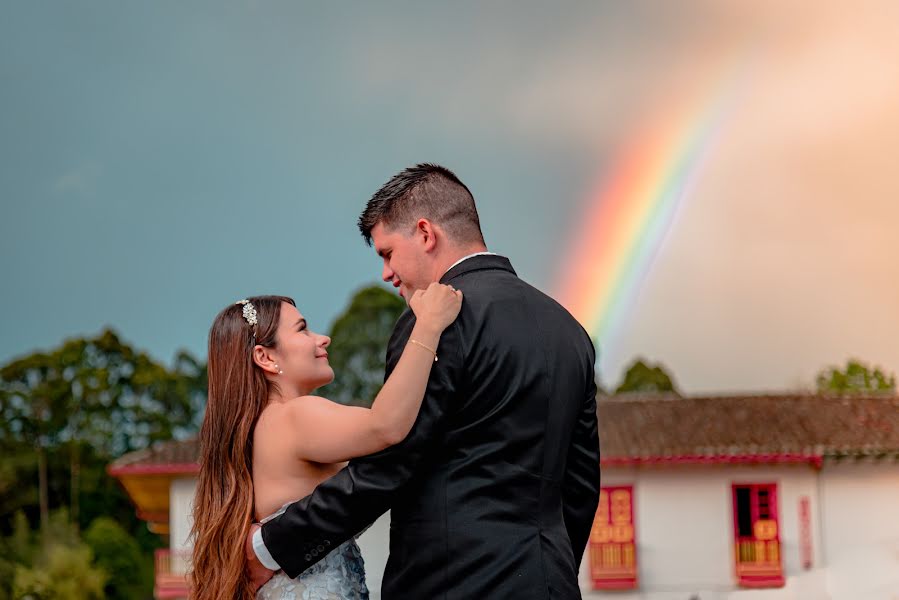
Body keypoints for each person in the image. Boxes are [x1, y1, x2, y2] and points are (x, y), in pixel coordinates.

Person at [248, 163, 601, 598]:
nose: (386, 274)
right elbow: (581, 484)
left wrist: (273, 544)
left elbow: (392, 463)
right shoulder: (570, 330)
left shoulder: (431, 324)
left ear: (425, 233)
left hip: (448, 584)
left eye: (387, 253)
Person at [190, 284, 462, 600]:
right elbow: (386, 426)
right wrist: (429, 326)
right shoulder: (295, 416)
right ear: (264, 357)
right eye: (302, 330)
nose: (322, 338)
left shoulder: (256, 431)